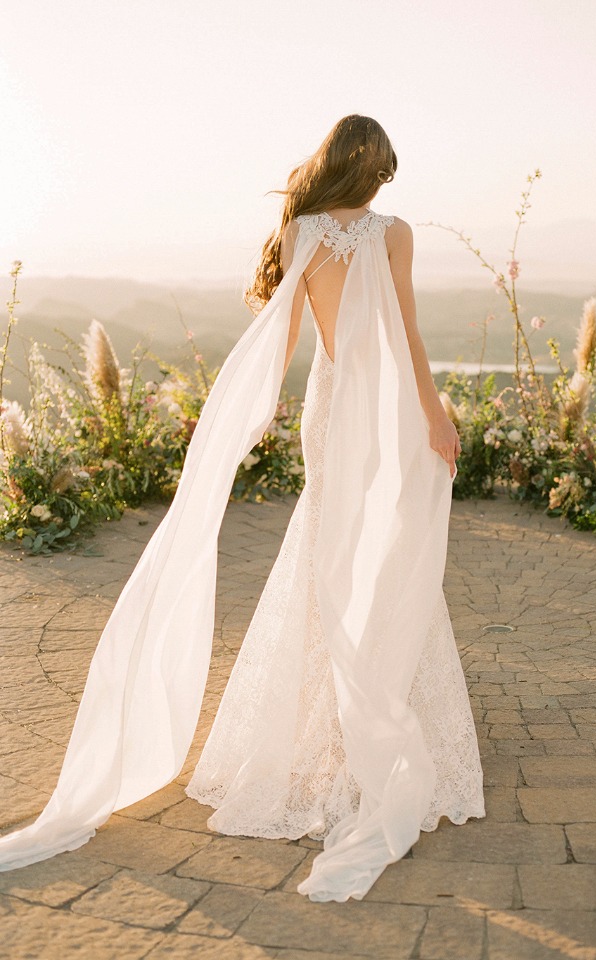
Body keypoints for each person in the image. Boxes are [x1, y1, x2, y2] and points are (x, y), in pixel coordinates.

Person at [0, 114, 485, 903]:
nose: (380, 184)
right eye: (381, 170)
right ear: (371, 169)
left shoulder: (300, 230)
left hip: (334, 407)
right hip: (383, 404)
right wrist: (432, 411)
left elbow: (288, 332)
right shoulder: (392, 234)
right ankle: (358, 718)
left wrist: (252, 414)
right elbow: (403, 329)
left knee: (334, 551)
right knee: (366, 555)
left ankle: (338, 718)